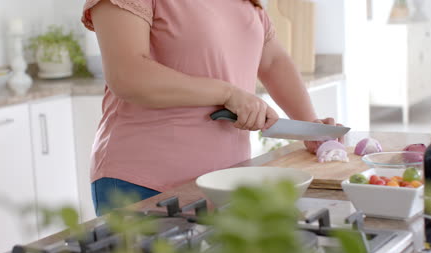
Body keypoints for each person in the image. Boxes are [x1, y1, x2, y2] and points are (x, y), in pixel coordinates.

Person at [81, 0, 341, 216]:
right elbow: (128, 75)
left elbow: (273, 61)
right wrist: (226, 93)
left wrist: (311, 128)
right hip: (143, 183)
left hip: (225, 184)